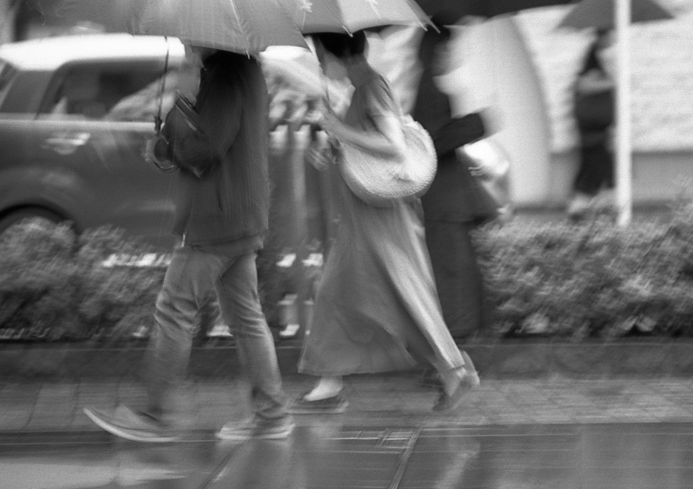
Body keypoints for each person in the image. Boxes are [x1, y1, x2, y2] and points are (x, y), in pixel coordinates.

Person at [84, 44, 295, 442]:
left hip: (215, 220)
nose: (184, 42)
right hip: (239, 215)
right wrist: (176, 123)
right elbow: (204, 141)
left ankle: (155, 415)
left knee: (174, 309)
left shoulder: (226, 73)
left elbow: (207, 146)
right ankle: (272, 413)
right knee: (247, 317)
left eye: (189, 37)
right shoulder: (243, 68)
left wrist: (182, 101)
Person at [293, 30, 479, 414]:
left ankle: (454, 369)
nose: (319, 62)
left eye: (319, 53)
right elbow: (363, 145)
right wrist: (333, 145)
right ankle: (329, 382)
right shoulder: (362, 88)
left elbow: (392, 145)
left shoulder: (372, 87)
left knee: (400, 295)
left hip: (378, 219)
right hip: (364, 216)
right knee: (338, 295)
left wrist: (339, 129)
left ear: (333, 53)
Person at [411, 22, 492, 338]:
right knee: (451, 276)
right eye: (446, 48)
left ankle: (448, 352)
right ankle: (448, 354)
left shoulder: (428, 86)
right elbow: (435, 141)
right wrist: (477, 123)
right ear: (434, 50)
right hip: (442, 201)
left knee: (451, 273)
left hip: (443, 199)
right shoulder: (430, 90)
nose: (450, 55)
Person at [568, 32, 615, 219]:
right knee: (599, 163)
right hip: (592, 127)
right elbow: (584, 85)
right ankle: (585, 206)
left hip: (594, 126)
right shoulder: (594, 55)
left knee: (593, 165)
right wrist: (612, 82)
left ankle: (578, 206)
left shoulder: (598, 55)